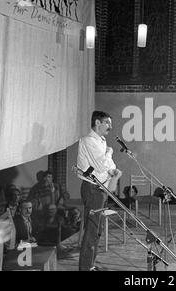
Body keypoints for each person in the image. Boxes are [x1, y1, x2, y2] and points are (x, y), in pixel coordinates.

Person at [77, 111, 123, 271]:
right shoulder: (88, 141)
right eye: (107, 123)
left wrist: (111, 167)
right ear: (97, 123)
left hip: (101, 189)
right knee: (91, 230)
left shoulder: (101, 141)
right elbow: (102, 165)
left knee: (97, 230)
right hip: (92, 189)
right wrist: (109, 152)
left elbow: (110, 167)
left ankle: (91, 265)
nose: (110, 126)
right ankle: (85, 268)